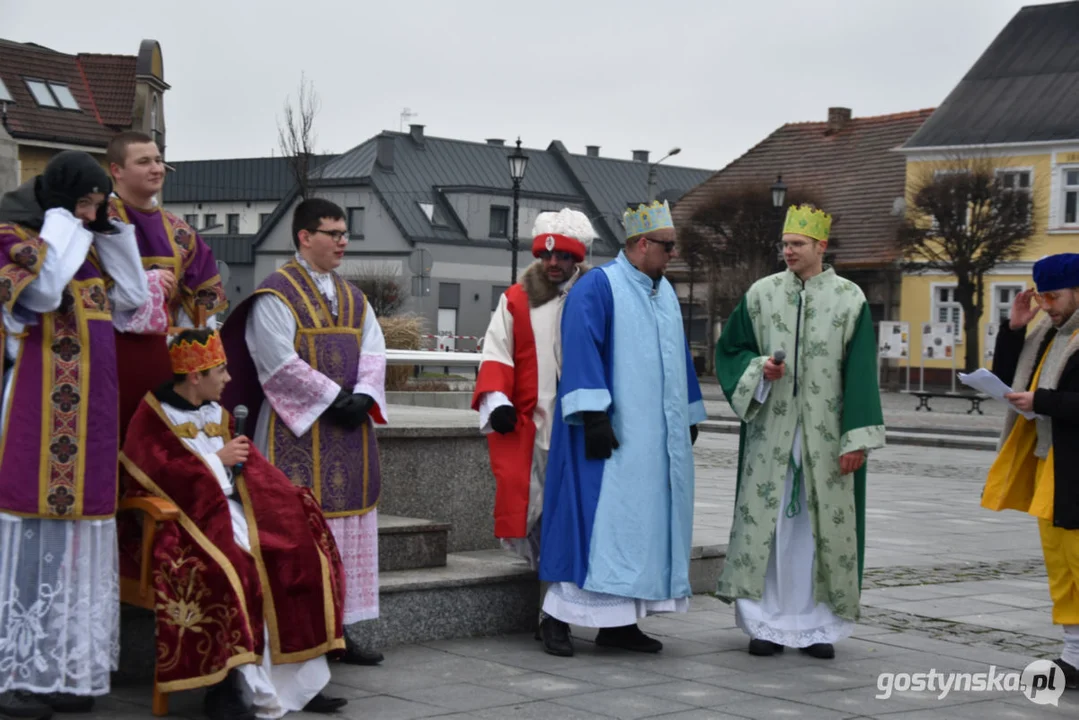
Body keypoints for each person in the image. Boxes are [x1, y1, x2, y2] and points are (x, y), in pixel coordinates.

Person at [119, 328, 349, 719]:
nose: (228, 379)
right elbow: (152, 472)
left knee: (296, 551)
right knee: (235, 568)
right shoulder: (153, 414)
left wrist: (280, 494)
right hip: (179, 522)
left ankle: (299, 683)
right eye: (221, 371)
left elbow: (253, 467)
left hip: (235, 510)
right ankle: (225, 687)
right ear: (196, 376)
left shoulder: (220, 415)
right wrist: (214, 462)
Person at [0, 151, 149, 718]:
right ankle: (13, 672)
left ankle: (60, 668)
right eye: (83, 203)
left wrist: (111, 234)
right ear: (59, 201)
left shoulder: (85, 248)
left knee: (74, 541)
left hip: (88, 419)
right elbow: (39, 294)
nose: (92, 214)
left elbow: (135, 301)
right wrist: (67, 224)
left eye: (98, 203)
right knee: (26, 543)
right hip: (32, 415)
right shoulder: (15, 238)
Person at [221, 198, 387, 666]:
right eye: (332, 232)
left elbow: (374, 350)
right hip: (298, 432)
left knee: (348, 528)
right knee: (300, 529)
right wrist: (336, 399)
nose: (342, 241)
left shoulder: (354, 297)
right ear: (303, 237)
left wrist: (366, 396)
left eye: (343, 233)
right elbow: (276, 362)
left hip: (350, 431)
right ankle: (297, 632)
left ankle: (342, 630)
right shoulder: (275, 294)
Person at [714, 203, 884, 660]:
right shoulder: (760, 294)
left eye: (797, 244)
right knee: (766, 531)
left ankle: (817, 626)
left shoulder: (851, 299)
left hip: (826, 441)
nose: (788, 251)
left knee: (819, 531)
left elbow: (863, 374)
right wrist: (757, 370)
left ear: (821, 247)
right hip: (771, 437)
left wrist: (858, 440)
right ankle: (764, 624)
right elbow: (731, 351)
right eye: (785, 244)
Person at [538, 200, 706, 654]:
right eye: (668, 246)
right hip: (609, 438)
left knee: (640, 529)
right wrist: (593, 416)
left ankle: (620, 624)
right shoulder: (598, 286)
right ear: (642, 244)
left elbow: (678, 357)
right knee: (595, 527)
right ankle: (555, 617)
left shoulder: (664, 290)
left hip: (654, 442)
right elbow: (580, 348)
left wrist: (688, 414)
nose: (674, 255)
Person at [472, 209, 594, 656]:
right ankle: (551, 614)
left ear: (577, 258)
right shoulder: (517, 299)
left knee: (579, 523)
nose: (553, 263)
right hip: (536, 430)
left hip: (587, 430)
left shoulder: (594, 296)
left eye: (563, 255)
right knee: (541, 523)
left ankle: (577, 617)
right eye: (546, 255)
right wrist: (497, 401)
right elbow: (496, 352)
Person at [982, 254, 1079, 690]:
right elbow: (1006, 376)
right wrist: (1015, 326)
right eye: (1040, 296)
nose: (1047, 305)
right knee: (1061, 566)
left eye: (1053, 296)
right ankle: (1073, 656)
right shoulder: (1047, 331)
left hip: (1074, 468)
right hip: (1052, 465)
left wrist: (1040, 402)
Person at [105, 131, 228, 437]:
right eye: (144, 161)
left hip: (163, 363)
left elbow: (204, 299)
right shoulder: (98, 223)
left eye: (159, 160)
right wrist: (147, 284)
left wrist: (188, 355)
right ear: (116, 170)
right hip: (106, 356)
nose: (156, 168)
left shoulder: (180, 232)